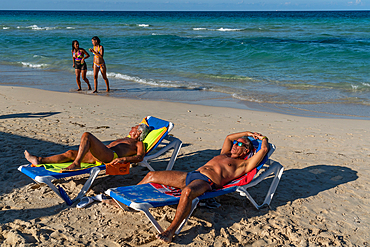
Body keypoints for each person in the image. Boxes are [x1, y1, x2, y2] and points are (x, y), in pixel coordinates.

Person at [137, 130, 269, 243]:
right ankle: (124, 198)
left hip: (206, 182)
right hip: (191, 175)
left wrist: (263, 138)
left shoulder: (243, 164)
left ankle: (170, 231)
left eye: (240, 144)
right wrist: (247, 133)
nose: (235, 145)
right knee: (151, 175)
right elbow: (229, 137)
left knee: (188, 192)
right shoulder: (225, 153)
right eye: (236, 143)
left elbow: (263, 149)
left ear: (246, 150)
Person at [24, 124, 150, 172]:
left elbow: (140, 157)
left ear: (138, 132)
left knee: (87, 136)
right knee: (71, 153)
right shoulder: (125, 138)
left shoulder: (138, 144)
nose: (132, 127)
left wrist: (125, 159)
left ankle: (77, 164)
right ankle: (39, 160)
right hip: (102, 153)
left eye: (135, 127)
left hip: (110, 156)